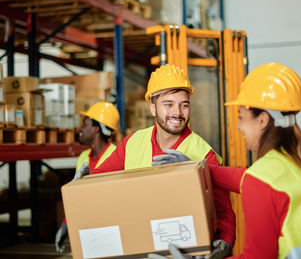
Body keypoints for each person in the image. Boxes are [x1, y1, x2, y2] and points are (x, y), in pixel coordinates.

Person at [151, 63, 301, 259]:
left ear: (263, 120)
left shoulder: (264, 181)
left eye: (242, 117)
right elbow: (248, 178)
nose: (238, 126)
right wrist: (197, 169)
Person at [92, 64, 235, 258]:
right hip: (139, 248)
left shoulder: (204, 153)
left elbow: (223, 211)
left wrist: (225, 242)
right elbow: (97, 184)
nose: (177, 112)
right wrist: (83, 181)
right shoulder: (132, 143)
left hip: (184, 251)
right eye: (168, 104)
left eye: (184, 104)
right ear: (152, 107)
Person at [55, 101, 120, 253]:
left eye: (85, 125)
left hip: (110, 230)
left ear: (96, 129)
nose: (80, 129)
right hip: (87, 230)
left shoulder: (116, 156)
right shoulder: (83, 158)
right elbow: (76, 197)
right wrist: (66, 224)